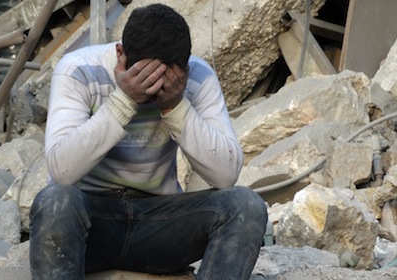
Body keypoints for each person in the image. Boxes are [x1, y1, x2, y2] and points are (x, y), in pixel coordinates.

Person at [29, 4, 267, 280]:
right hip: (91, 223)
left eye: (164, 80)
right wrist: (125, 100)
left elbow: (226, 176)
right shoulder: (79, 70)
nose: (154, 87)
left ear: (185, 68)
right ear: (120, 53)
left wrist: (176, 106)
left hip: (159, 225)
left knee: (245, 205)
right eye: (144, 76)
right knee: (56, 201)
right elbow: (61, 171)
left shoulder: (197, 77)